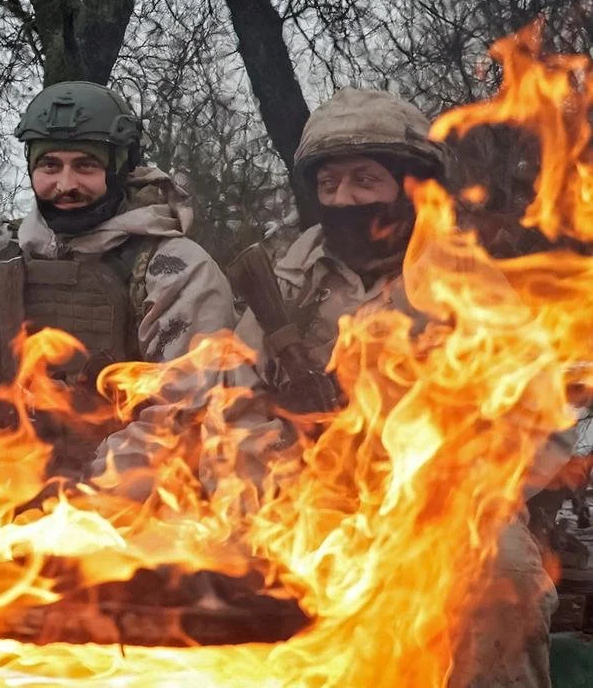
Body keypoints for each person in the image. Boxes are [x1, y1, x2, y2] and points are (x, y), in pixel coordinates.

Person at [234, 88, 556, 687]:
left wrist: (430, 484)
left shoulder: (468, 283)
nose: (344, 199)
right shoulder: (284, 290)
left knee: (500, 579)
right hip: (304, 504)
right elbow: (234, 410)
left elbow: (528, 413)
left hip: (444, 509)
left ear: (410, 188)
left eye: (364, 180)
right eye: (329, 185)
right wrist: (285, 477)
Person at [0, 80, 238, 491]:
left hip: (136, 502)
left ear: (119, 168)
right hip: (1, 489)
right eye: (49, 165)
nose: (65, 184)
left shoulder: (174, 268)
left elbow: (188, 411)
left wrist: (77, 495)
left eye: (85, 166)